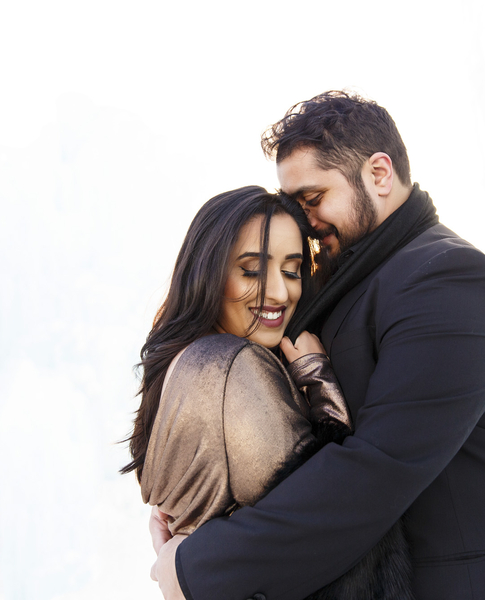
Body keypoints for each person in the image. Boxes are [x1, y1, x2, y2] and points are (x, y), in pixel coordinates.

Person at [152, 91, 485, 600]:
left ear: (379, 174)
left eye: (313, 199)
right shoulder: (354, 277)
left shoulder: (449, 278)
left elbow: (378, 469)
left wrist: (201, 565)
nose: (306, 223)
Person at [125, 185, 414, 599]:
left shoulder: (185, 363)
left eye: (292, 270)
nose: (279, 293)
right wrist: (320, 383)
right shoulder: (232, 365)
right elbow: (331, 514)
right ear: (208, 272)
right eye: (252, 270)